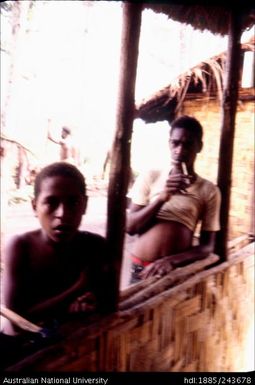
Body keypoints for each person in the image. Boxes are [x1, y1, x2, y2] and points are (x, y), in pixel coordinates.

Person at [1, 162, 115, 367]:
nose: (62, 213)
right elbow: (18, 321)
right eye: (51, 202)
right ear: (35, 206)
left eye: (72, 202)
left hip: (71, 346)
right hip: (18, 349)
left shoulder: (95, 246)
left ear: (85, 205)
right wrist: (79, 287)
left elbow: (106, 302)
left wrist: (88, 302)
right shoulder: (20, 246)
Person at [126, 115, 221, 284]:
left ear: (199, 146)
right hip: (141, 269)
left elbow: (207, 246)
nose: (180, 151)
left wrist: (172, 260)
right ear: (169, 143)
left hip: (174, 272)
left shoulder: (209, 190)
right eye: (175, 143)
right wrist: (162, 198)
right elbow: (130, 227)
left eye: (187, 144)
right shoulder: (151, 176)